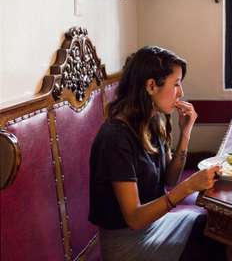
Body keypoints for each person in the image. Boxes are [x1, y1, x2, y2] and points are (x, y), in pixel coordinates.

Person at [89, 46, 224, 261]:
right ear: (151, 86)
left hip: (154, 226)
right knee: (212, 248)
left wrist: (186, 131)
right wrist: (189, 186)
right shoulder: (115, 138)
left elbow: (170, 179)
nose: (181, 92)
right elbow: (134, 219)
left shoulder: (150, 121)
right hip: (128, 245)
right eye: (176, 83)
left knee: (217, 229)